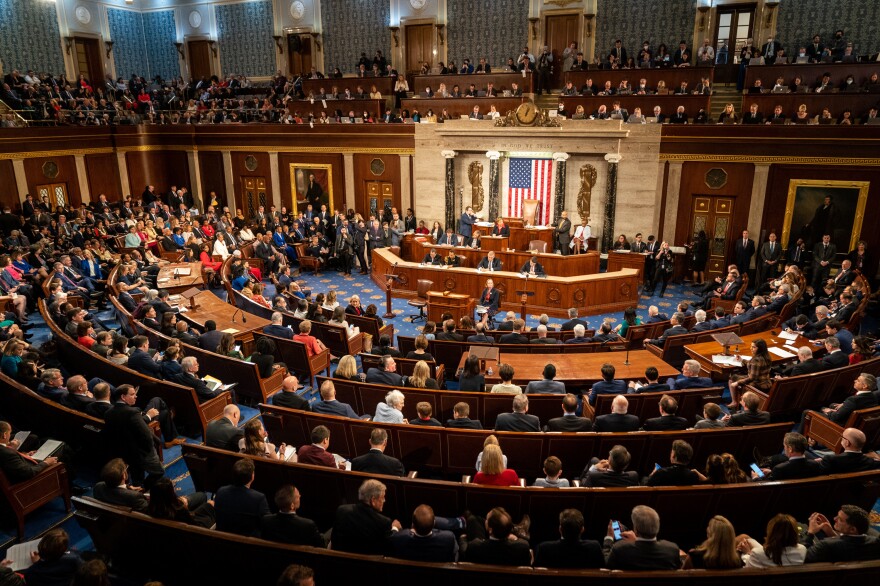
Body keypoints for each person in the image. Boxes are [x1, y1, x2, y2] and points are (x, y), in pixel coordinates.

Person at [331, 479, 402, 555]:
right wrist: (395, 529)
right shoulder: (384, 522)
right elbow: (389, 547)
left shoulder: (342, 510)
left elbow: (334, 540)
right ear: (373, 500)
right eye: (383, 497)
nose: (384, 500)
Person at [604, 505, 681, 570]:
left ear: (636, 530)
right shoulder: (672, 550)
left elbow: (605, 564)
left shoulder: (620, 549)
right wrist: (636, 542)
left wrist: (609, 537)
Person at [214, 458, 270, 537]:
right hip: (249, 543)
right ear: (252, 477)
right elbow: (267, 524)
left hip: (222, 539)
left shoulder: (221, 491)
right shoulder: (258, 498)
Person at [803, 505, 880, 563]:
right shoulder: (875, 542)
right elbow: (849, 544)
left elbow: (802, 557)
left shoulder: (826, 544)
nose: (834, 519)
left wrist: (810, 532)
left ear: (852, 529)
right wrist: (829, 531)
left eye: (840, 519)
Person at [387, 504, 459, 563]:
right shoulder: (448, 537)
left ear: (413, 525)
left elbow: (392, 537)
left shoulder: (401, 537)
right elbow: (454, 554)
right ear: (434, 524)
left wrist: (395, 528)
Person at [260, 485, 326, 547]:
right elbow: (321, 545)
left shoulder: (266, 520)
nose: (300, 496)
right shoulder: (308, 525)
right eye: (297, 496)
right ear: (292, 506)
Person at [738, 513, 806, 567]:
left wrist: (747, 553)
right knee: (745, 538)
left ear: (771, 533)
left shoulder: (757, 553)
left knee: (743, 540)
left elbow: (748, 568)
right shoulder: (802, 550)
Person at [147, 476, 215, 528]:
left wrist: (180, 501)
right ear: (170, 494)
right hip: (196, 527)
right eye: (173, 486)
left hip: (185, 516)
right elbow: (194, 525)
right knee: (211, 504)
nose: (175, 489)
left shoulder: (150, 508)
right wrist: (183, 507)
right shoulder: (180, 512)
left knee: (202, 496)